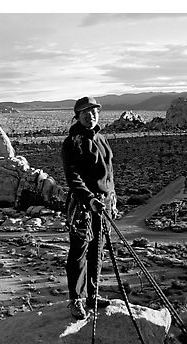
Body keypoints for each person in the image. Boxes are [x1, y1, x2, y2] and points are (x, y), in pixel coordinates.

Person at [61, 96, 117, 320]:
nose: (90, 115)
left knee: (97, 250)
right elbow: (73, 178)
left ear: (98, 114)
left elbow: (109, 174)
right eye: (84, 112)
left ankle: (92, 295)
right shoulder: (72, 142)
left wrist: (112, 198)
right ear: (77, 116)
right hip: (83, 206)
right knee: (79, 253)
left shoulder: (102, 138)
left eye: (93, 111)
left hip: (103, 204)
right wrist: (90, 199)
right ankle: (76, 299)